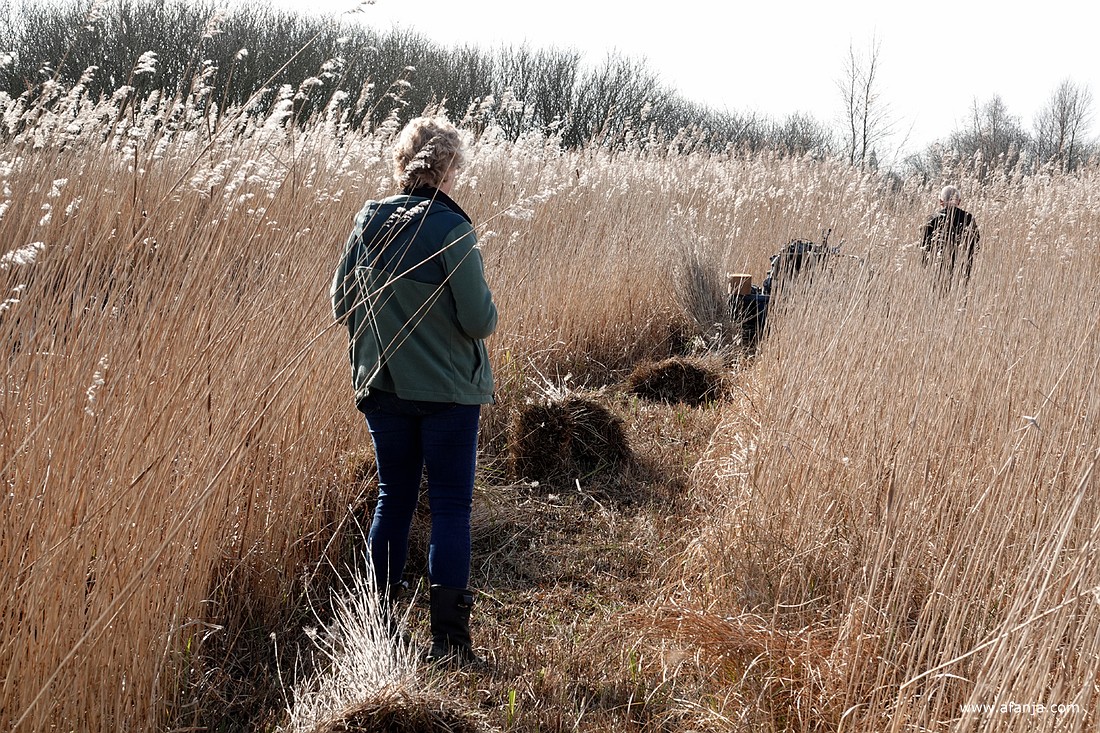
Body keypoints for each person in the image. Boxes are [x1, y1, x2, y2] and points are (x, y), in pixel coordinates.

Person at [331, 115, 497, 668]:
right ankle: (450, 644)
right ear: (449, 168)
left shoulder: (367, 221)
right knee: (450, 507)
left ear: (403, 164)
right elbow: (478, 320)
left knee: (393, 499)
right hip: (449, 394)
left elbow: (341, 306)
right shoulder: (452, 228)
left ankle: (376, 630)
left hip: (382, 388)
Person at [919, 185, 981, 289]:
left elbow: (923, 247)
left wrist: (926, 265)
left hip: (937, 270)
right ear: (959, 201)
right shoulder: (968, 218)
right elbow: (976, 244)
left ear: (940, 201)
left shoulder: (932, 219)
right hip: (962, 269)